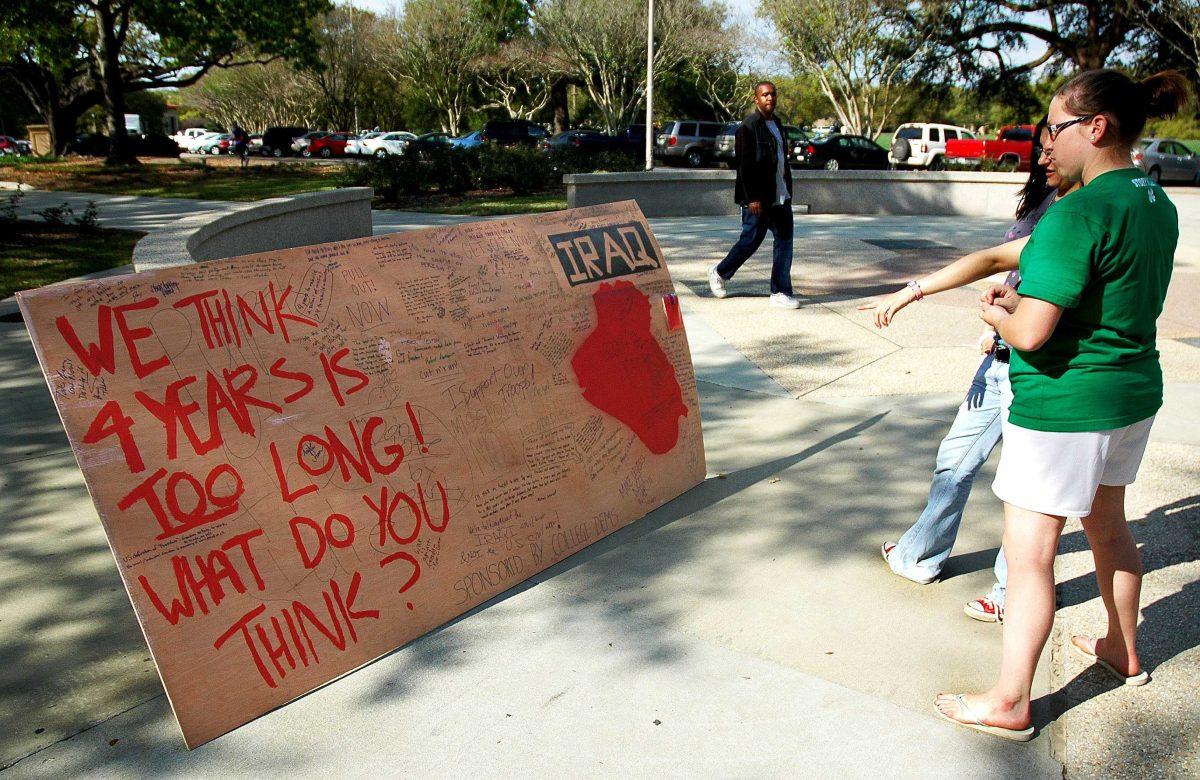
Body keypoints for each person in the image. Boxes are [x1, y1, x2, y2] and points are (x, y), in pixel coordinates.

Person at [931, 68, 1188, 742]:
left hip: (1065, 405)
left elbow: (1034, 331)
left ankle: (1011, 700)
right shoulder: (1156, 202)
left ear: (1095, 128)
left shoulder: (1078, 212)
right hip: (1132, 392)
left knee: (1030, 554)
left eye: (1056, 127)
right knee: (1110, 526)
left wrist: (996, 310)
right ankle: (1122, 649)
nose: (1048, 140)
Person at [870, 121, 1079, 625]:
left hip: (1042, 369)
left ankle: (1013, 592)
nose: (1045, 160)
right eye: (1041, 151)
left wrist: (1007, 320)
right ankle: (920, 554)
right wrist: (997, 313)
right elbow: (1002, 266)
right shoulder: (1044, 205)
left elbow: (1060, 296)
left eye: (1054, 151)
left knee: (1024, 492)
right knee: (954, 460)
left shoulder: (1083, 215)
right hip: (1001, 361)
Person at [709, 81, 801, 310]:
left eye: (772, 94)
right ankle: (719, 272)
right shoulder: (748, 127)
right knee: (750, 241)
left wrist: (786, 190)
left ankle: (780, 291)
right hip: (759, 198)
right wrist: (752, 198)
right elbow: (745, 166)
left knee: (784, 240)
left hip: (780, 196)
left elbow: (780, 161)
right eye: (765, 95)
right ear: (756, 99)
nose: (770, 98)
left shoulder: (778, 125)